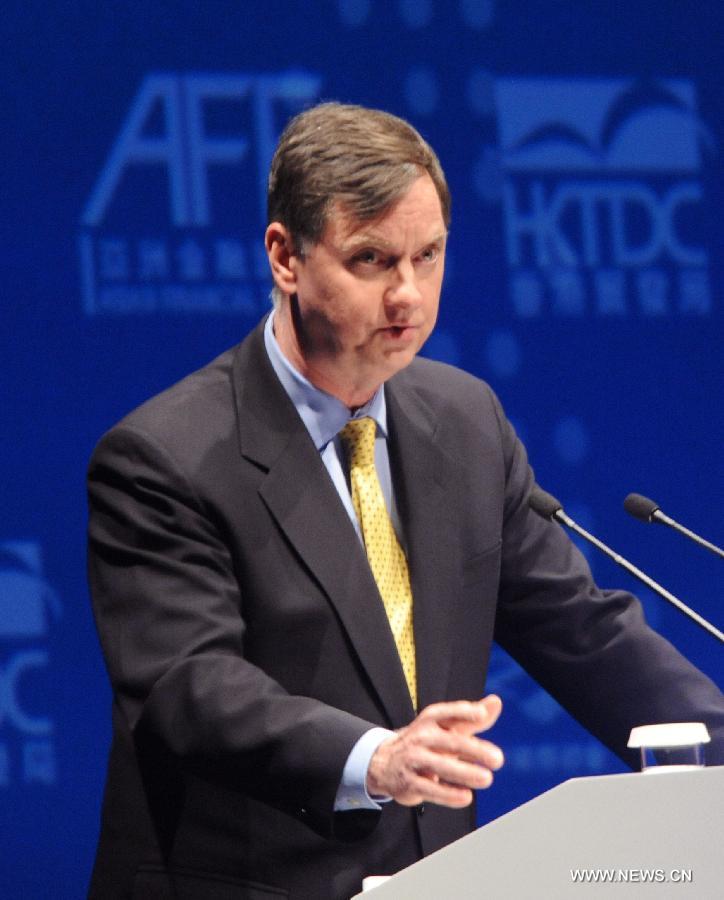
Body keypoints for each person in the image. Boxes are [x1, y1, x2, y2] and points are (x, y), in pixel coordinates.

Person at [87, 102, 724, 900]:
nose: (409, 296)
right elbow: (190, 687)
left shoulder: (464, 424)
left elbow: (583, 634)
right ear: (285, 256)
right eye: (372, 261)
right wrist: (376, 759)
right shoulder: (165, 457)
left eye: (429, 256)